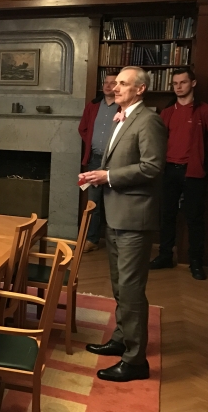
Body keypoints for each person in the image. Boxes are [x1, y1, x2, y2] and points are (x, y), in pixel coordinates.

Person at [79, 66, 166, 382]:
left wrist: (109, 176)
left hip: (134, 218)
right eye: (115, 83)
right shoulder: (123, 118)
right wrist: (98, 176)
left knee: (131, 290)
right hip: (116, 215)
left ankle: (135, 361)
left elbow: (152, 167)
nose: (115, 88)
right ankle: (122, 338)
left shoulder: (149, 120)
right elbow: (117, 161)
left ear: (140, 89)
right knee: (119, 286)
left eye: (123, 84)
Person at [150, 69, 208, 280]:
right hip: (169, 170)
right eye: (175, 83)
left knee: (195, 218)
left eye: (183, 82)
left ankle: (195, 262)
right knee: (167, 215)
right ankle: (165, 255)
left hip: (193, 172)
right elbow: (157, 141)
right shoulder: (167, 112)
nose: (178, 87)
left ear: (193, 83)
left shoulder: (203, 111)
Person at [78, 72, 119, 252]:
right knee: (93, 202)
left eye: (113, 83)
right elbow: (83, 128)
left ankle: (116, 242)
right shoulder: (93, 106)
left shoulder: (123, 107)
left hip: (115, 161)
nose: (108, 86)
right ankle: (92, 239)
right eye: (106, 82)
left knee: (115, 202)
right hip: (95, 159)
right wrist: (92, 142)